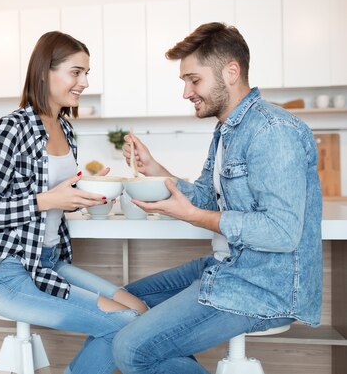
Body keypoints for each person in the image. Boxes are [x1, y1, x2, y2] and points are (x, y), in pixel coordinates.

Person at [113, 22, 323, 374]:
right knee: (123, 303)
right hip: (227, 269)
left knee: (132, 350)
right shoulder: (227, 130)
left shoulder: (274, 132)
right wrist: (154, 169)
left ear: (230, 72)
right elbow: (208, 199)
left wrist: (195, 217)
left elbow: (282, 232)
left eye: (193, 80)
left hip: (263, 286)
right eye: (184, 82)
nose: (186, 92)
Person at [0, 31, 148, 374]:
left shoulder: (65, 126)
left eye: (86, 73)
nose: (84, 82)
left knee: (138, 310)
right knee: (127, 324)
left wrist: (78, 193)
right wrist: (49, 198)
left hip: (49, 263)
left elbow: (53, 200)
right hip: (10, 272)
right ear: (45, 71)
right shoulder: (12, 128)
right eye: (76, 72)